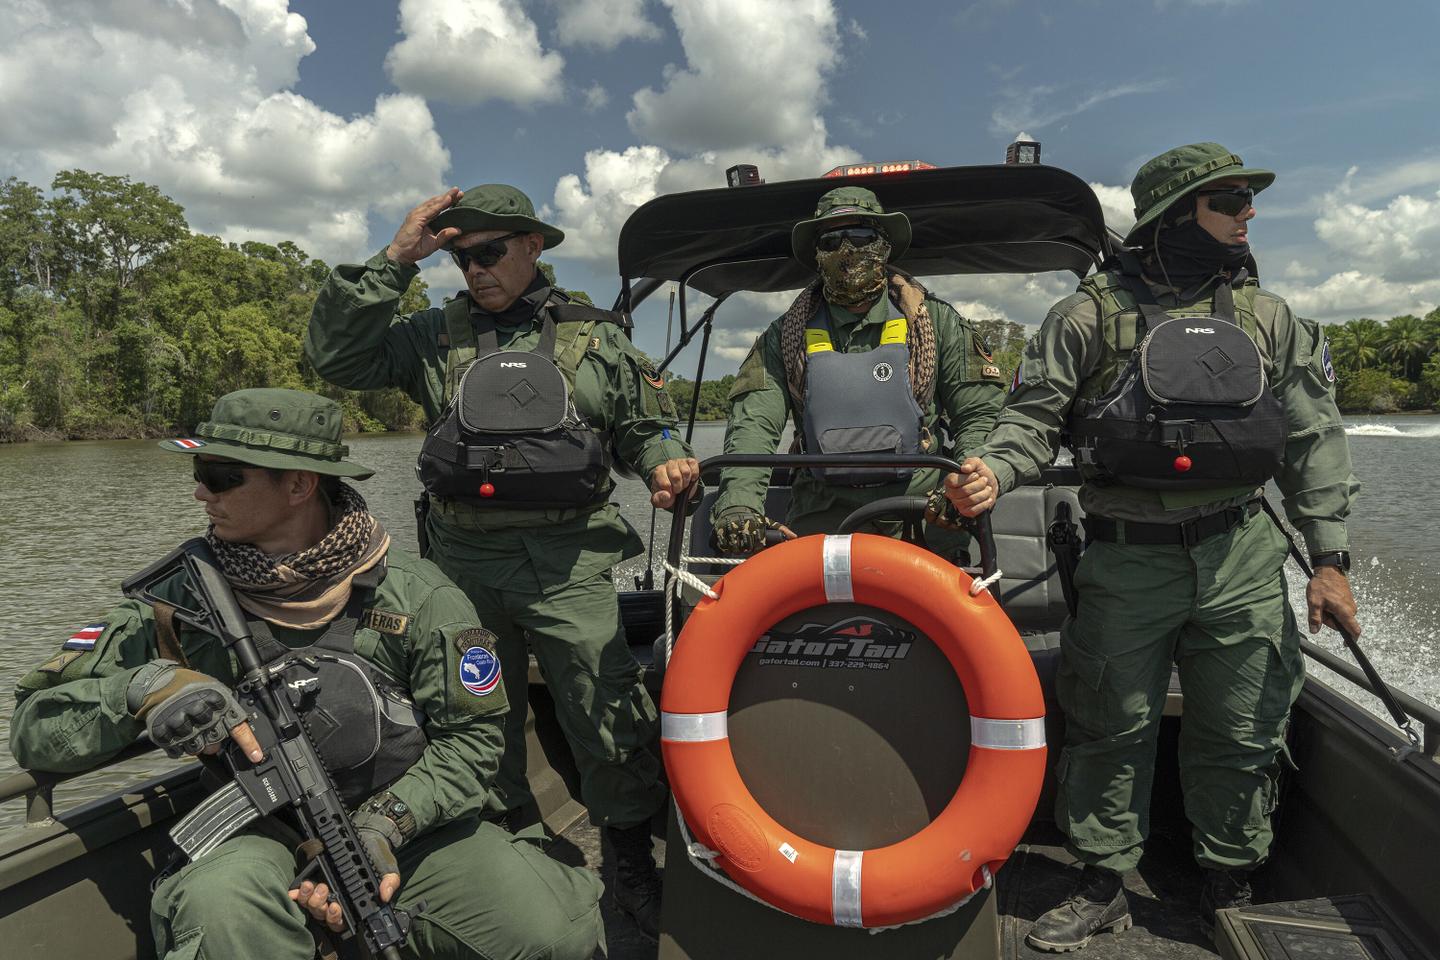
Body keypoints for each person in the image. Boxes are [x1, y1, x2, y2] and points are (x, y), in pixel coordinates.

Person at [8, 388, 605, 960]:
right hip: (255, 829)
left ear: (299, 484)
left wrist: (384, 825)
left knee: (550, 932)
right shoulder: (172, 603)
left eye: (220, 477)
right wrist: (142, 689)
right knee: (222, 913)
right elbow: (33, 726)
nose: (199, 494)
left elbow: (474, 741)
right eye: (199, 475)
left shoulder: (418, 596)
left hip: (401, 821)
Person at [945, 143, 1362, 952]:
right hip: (1128, 557)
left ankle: (1229, 879)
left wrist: (1330, 561)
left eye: (1248, 200)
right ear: (1177, 215)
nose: (1249, 213)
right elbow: (1032, 421)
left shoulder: (1270, 319)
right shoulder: (1086, 315)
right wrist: (993, 471)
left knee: (1243, 726)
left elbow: (1315, 438)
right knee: (1110, 724)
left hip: (1240, 553)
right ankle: (1103, 880)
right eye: (1230, 200)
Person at [305, 184, 695, 937]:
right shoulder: (434, 336)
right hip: (462, 567)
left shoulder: (595, 336)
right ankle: (518, 845)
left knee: (604, 708)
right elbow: (337, 354)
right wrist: (395, 260)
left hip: (569, 562)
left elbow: (643, 428)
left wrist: (666, 462)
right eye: (460, 256)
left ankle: (627, 857)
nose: (474, 270)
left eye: (489, 253)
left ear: (533, 246)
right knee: (476, 715)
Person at [708, 185, 1005, 558]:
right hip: (820, 528)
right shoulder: (783, 336)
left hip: (924, 523)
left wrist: (964, 486)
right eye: (832, 241)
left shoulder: (938, 322)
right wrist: (739, 507)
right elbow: (753, 428)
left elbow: (979, 414)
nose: (847, 251)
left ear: (884, 246)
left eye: (862, 237)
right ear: (818, 255)